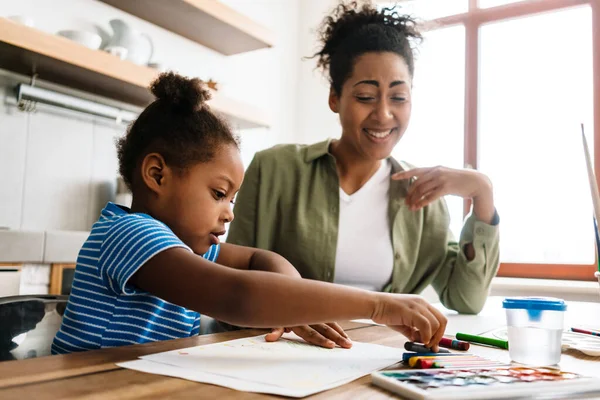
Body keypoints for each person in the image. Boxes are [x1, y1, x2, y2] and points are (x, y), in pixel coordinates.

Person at [51, 72, 447, 355]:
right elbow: (237, 294)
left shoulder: (185, 247)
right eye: (219, 194)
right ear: (157, 174)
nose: (229, 215)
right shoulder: (131, 234)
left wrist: (292, 306)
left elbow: (262, 259)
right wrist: (377, 305)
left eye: (232, 200)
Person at [227, 0, 500, 330]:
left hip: (377, 360)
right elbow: (233, 285)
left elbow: (466, 300)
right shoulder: (273, 170)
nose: (383, 114)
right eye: (366, 97)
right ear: (334, 98)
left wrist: (482, 192)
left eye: (398, 98)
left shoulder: (424, 199)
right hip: (283, 352)